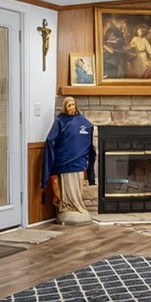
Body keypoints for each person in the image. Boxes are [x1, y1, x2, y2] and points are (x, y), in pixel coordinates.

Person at [42, 96, 97, 225]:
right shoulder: (60, 121)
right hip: (63, 162)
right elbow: (51, 140)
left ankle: (76, 205)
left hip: (78, 163)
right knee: (66, 188)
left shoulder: (83, 122)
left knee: (77, 187)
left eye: (73, 105)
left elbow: (88, 143)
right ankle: (66, 205)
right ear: (65, 107)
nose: (72, 107)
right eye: (69, 105)